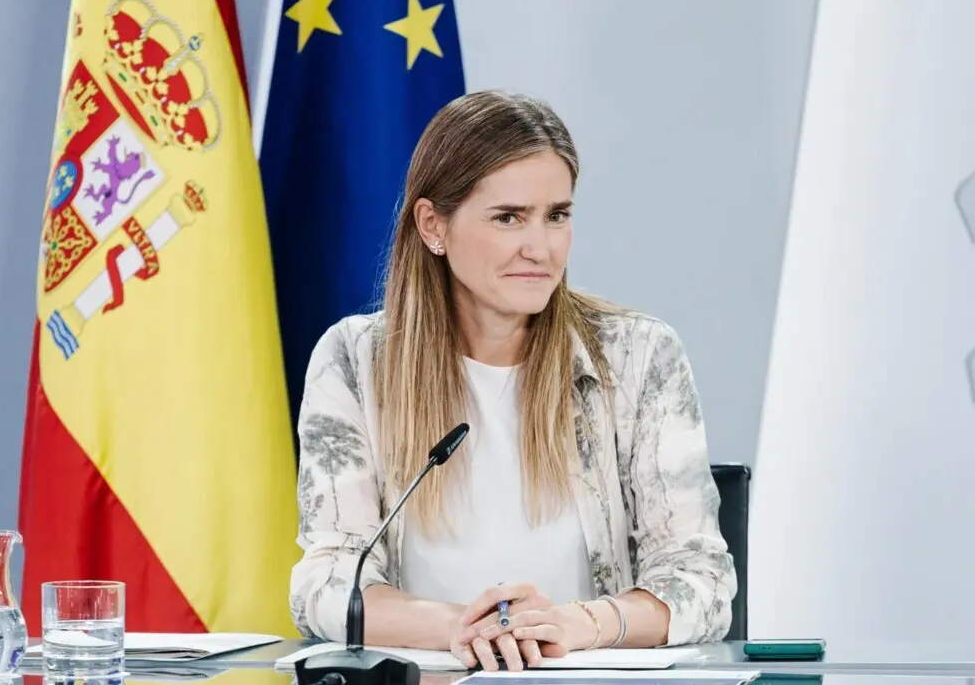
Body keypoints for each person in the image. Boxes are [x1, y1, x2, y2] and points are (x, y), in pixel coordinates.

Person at [289, 90, 736, 671]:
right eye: (508, 218)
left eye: (557, 216)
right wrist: (470, 629)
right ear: (433, 226)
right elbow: (326, 584)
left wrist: (574, 625)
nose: (541, 248)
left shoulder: (638, 355)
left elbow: (701, 582)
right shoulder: (354, 361)